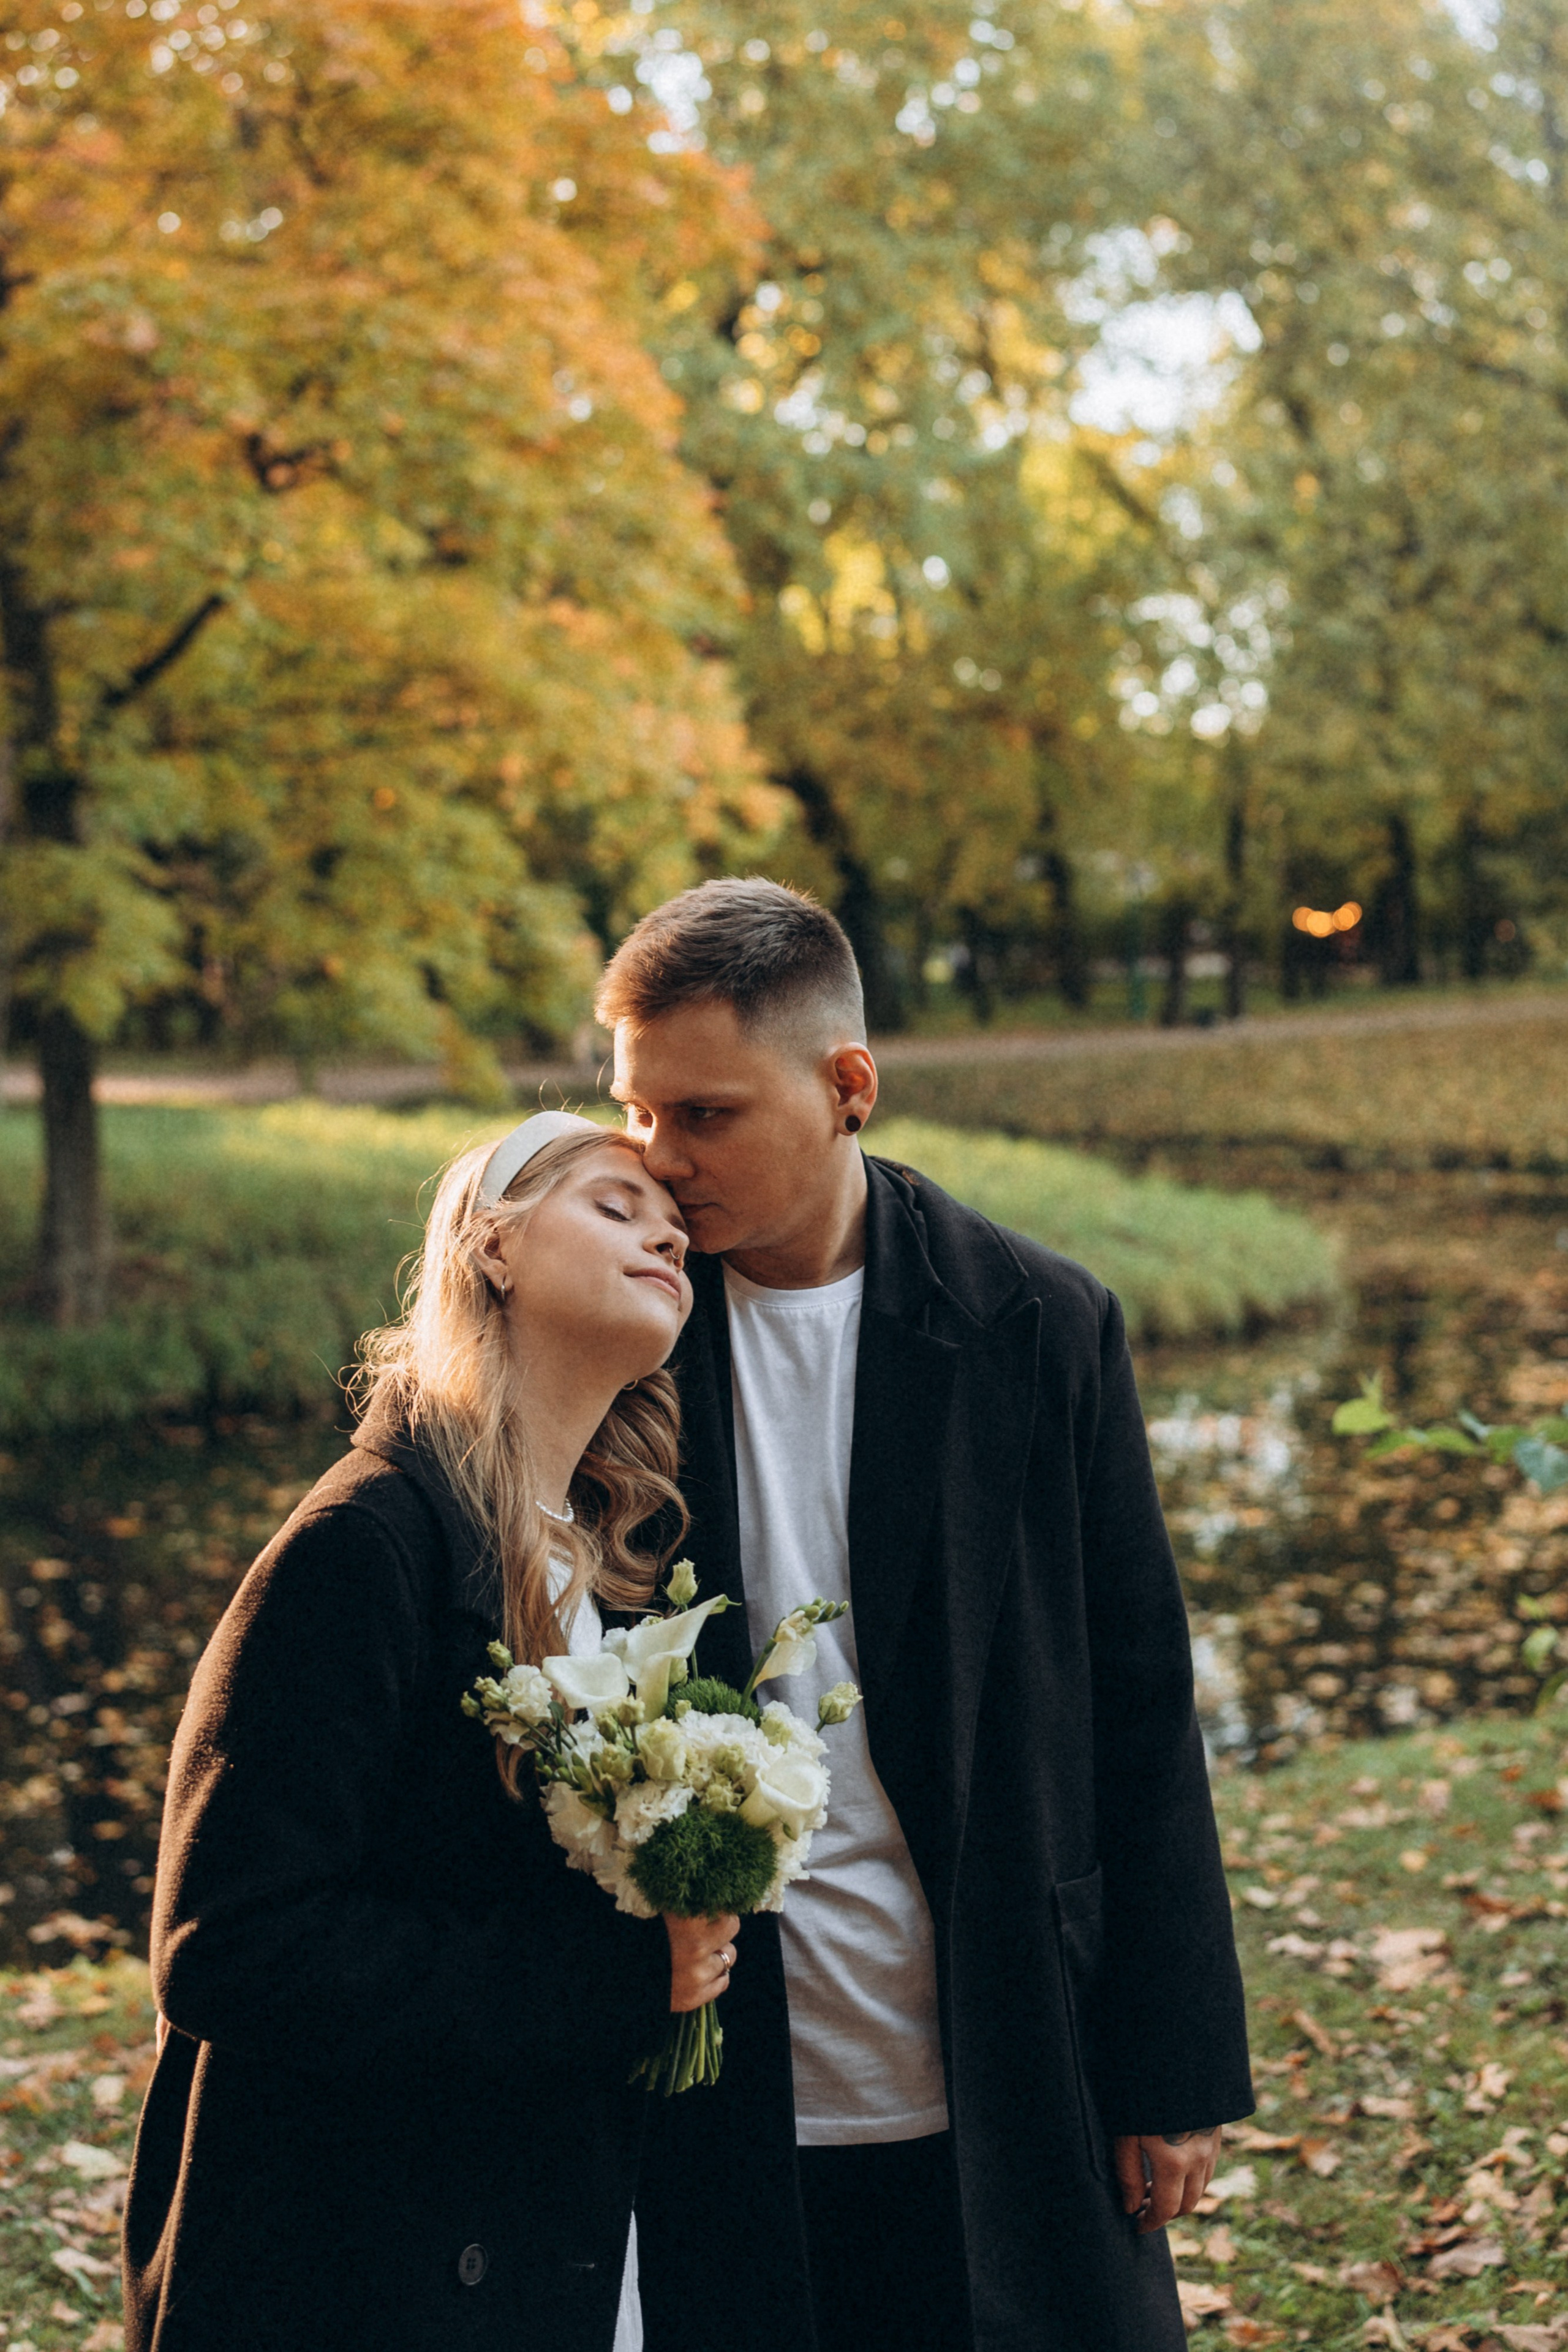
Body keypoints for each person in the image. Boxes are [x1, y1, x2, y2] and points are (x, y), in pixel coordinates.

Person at [596, 880, 1254, 2352]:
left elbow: (1139, 1702)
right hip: (706, 2072)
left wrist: (1169, 2068)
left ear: (848, 1086)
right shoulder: (615, 1331)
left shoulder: (1040, 1320)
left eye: (703, 1115)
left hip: (1005, 2040)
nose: (658, 1159)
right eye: (635, 1113)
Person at [122, 1115, 737, 2352]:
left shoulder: (599, 1570)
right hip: (358, 2260)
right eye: (614, 1205)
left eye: (674, 1223)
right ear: (493, 1247)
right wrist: (615, 1981)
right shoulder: (365, 1544)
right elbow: (226, 1946)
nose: (667, 1234)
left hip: (542, 2227)